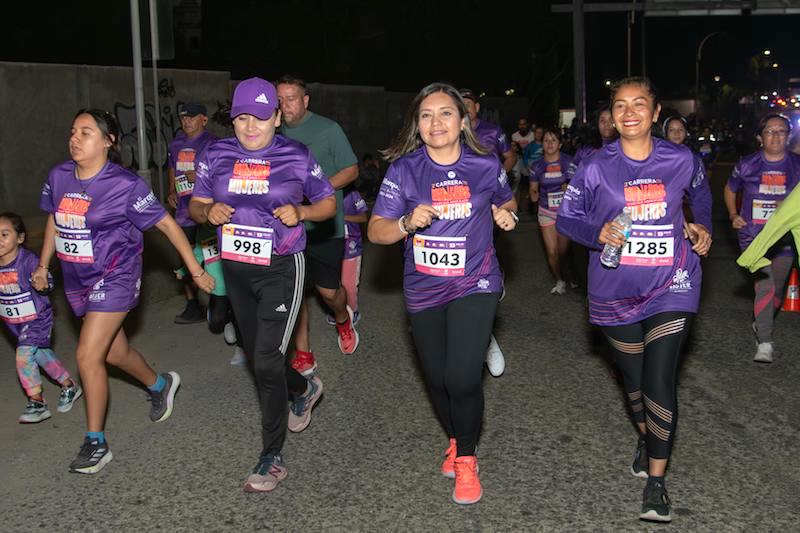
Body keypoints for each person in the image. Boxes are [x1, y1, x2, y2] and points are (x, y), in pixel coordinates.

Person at [557, 77, 712, 522]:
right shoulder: (592, 166)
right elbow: (568, 219)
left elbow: (700, 194)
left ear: (656, 112)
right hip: (615, 290)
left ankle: (657, 484)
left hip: (672, 282)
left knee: (660, 379)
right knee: (636, 383)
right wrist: (596, 232)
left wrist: (702, 226)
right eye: (620, 105)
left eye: (639, 104)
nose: (629, 113)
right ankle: (647, 436)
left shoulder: (681, 158)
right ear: (611, 115)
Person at [33, 109, 214, 474]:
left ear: (108, 141)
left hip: (115, 276)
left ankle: (96, 442)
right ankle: (160, 385)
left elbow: (165, 223)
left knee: (87, 355)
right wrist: (42, 265)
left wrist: (195, 269)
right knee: (114, 353)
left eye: (85, 132)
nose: (75, 138)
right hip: (77, 280)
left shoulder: (124, 185)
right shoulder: (59, 176)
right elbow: (54, 216)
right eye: (73, 131)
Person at [368, 82, 518, 505]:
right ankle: (455, 437)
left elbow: (507, 203)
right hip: (424, 288)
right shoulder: (404, 170)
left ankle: (467, 459)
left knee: (462, 376)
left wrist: (506, 217)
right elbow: (376, 231)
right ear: (417, 125)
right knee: (436, 377)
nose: (437, 123)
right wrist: (405, 224)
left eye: (446, 113)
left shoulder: (486, 166)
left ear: (463, 120)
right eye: (427, 115)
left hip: (476, 281)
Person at [189, 77, 336, 493]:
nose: (250, 126)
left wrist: (302, 212)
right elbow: (195, 203)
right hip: (236, 268)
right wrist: (208, 212)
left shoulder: (297, 155)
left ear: (276, 117)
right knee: (258, 357)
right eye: (240, 118)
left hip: (282, 267)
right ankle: (304, 387)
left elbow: (327, 203)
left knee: (267, 359)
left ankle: (270, 456)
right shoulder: (215, 153)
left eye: (259, 117)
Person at [276, 75, 360, 379]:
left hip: (324, 226)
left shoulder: (328, 129)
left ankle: (342, 318)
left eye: (291, 98)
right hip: (286, 230)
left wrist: (318, 190)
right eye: (280, 99)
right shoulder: (272, 134)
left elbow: (351, 170)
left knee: (328, 292)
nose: (285, 105)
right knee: (294, 293)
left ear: (305, 100)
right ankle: (304, 354)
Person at [723, 114, 800, 363]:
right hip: (753, 236)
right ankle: (765, 342)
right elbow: (730, 188)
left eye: (781, 131)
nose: (776, 136)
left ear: (788, 136)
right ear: (760, 137)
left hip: (785, 240)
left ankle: (761, 321)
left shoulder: (797, 165)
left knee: (776, 291)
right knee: (765, 285)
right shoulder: (748, 164)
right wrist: (733, 214)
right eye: (770, 131)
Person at [0, 212, 82, 423]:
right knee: (39, 355)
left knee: (23, 355)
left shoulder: (28, 261)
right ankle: (69, 385)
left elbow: (47, 281)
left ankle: (37, 401)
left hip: (37, 318)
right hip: (14, 323)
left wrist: (44, 285)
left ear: (19, 238)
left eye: (4, 234)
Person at [459, 88, 515, 378]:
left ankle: (485, 336)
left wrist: (495, 182)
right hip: (451, 209)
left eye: (467, 104)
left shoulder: (492, 132)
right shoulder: (443, 133)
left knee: (482, 259)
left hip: (486, 203)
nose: (463, 109)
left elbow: (509, 157)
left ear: (476, 107)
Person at [167, 102, 217, 324]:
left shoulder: (213, 144)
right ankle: (192, 305)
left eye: (191, 117)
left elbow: (222, 172)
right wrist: (171, 190)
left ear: (203, 120)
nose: (186, 121)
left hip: (207, 210)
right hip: (184, 211)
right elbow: (172, 167)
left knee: (212, 257)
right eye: (183, 118)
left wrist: (201, 178)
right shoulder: (176, 144)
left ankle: (219, 301)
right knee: (184, 258)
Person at [529, 128, 575, 294]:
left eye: (553, 140)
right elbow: (533, 188)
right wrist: (533, 195)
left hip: (565, 213)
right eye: (546, 140)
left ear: (560, 144)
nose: (549, 143)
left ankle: (570, 272)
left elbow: (579, 186)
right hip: (546, 210)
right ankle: (559, 280)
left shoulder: (569, 162)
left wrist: (568, 188)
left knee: (563, 251)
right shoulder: (537, 166)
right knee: (552, 250)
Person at [326, 186, 368, 325]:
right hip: (331, 244)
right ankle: (338, 311)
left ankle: (352, 311)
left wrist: (343, 216)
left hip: (351, 246)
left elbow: (363, 217)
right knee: (333, 283)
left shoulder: (353, 194)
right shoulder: (326, 192)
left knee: (348, 283)